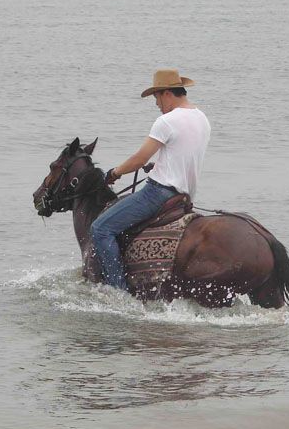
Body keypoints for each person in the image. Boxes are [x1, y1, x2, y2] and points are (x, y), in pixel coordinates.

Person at [90, 69, 212, 290]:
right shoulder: (201, 118)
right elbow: (185, 156)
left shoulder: (166, 121)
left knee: (100, 229)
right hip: (184, 196)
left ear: (166, 93)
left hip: (158, 193)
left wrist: (115, 173)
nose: (156, 104)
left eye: (156, 97)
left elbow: (139, 158)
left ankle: (118, 292)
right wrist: (158, 165)